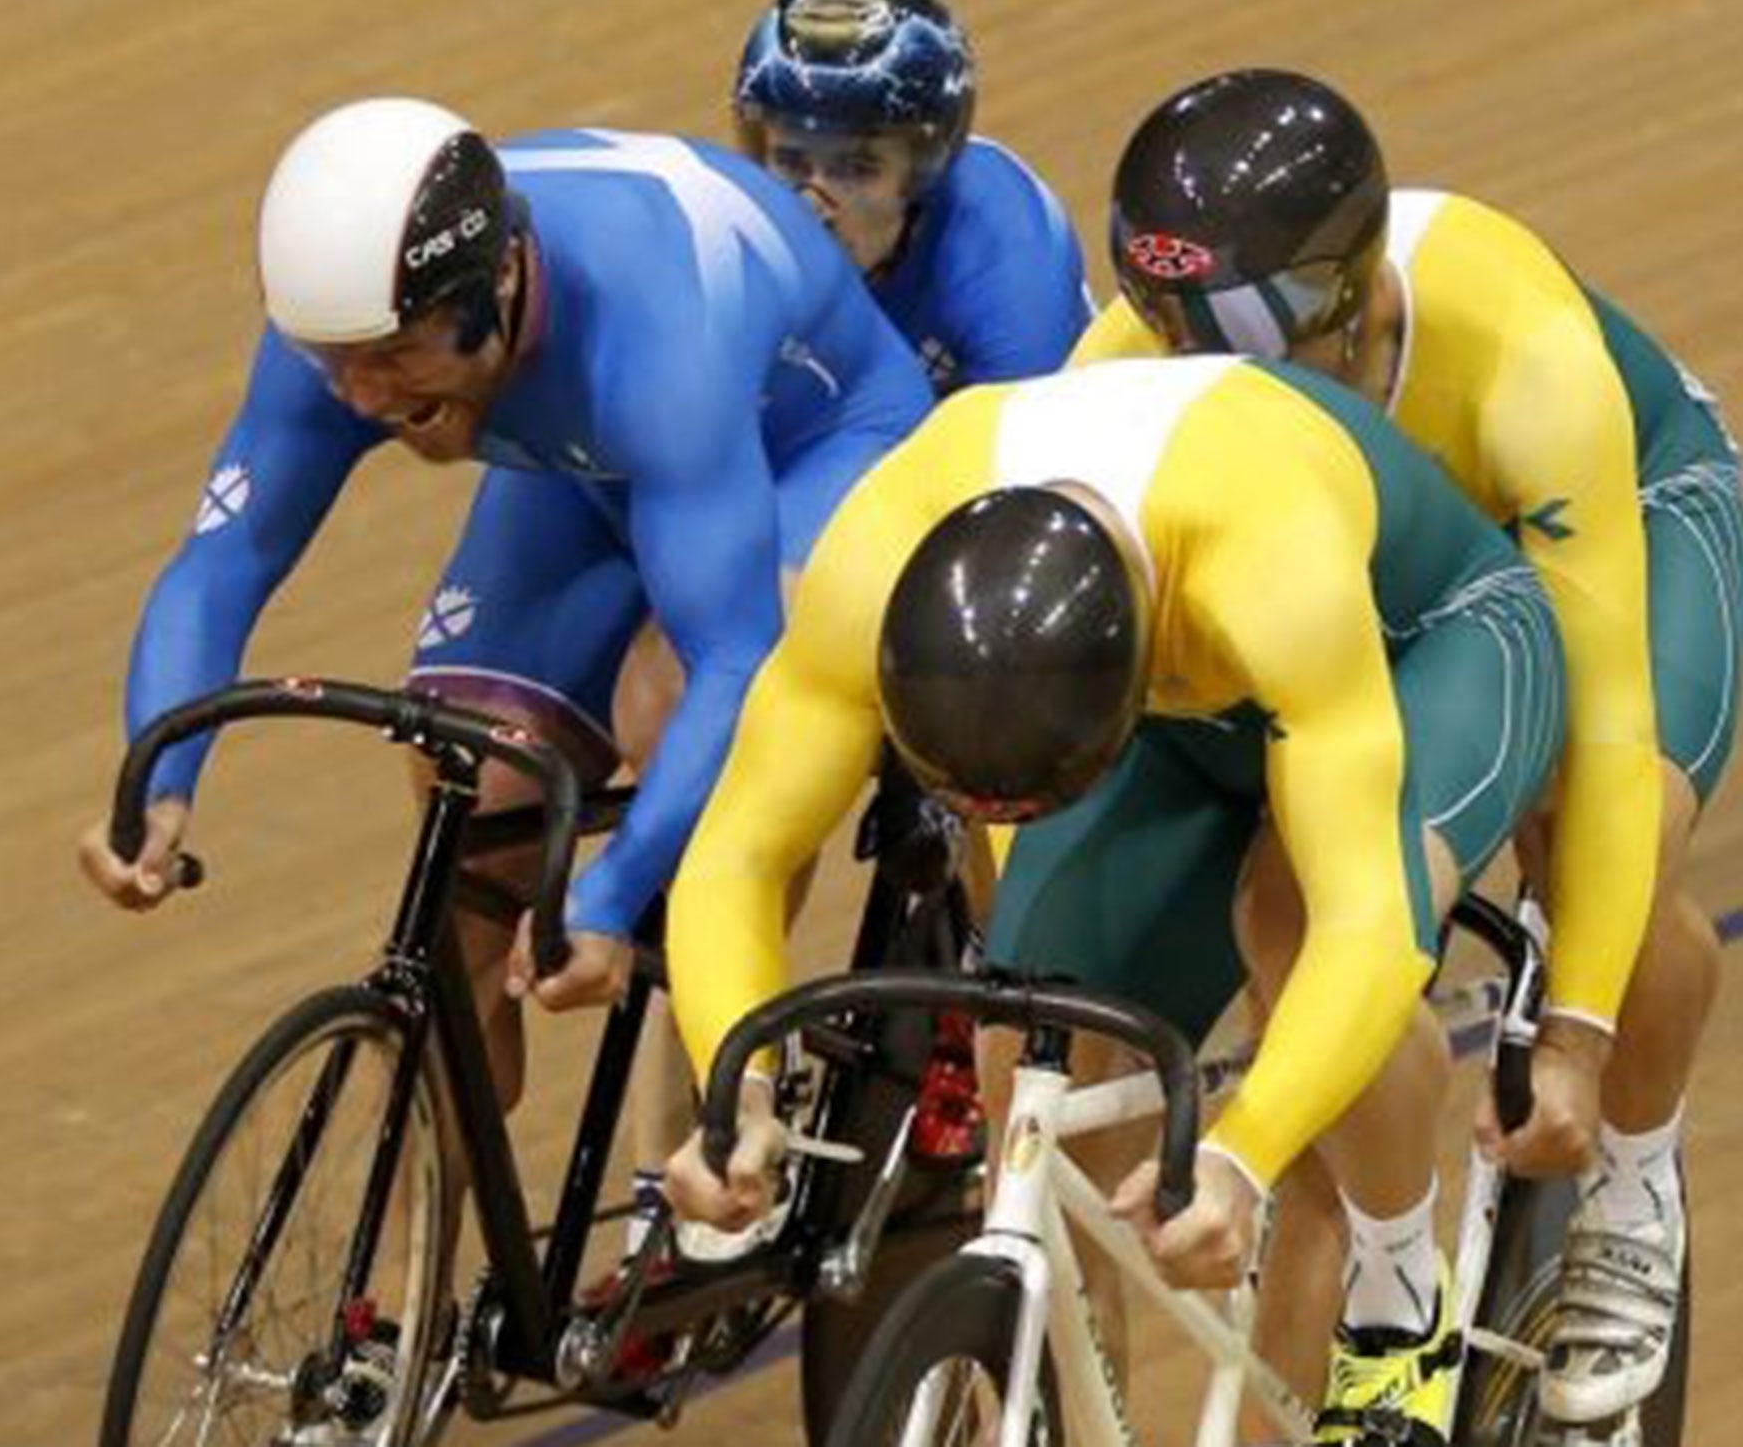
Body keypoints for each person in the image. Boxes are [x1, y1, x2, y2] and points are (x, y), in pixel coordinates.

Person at [660, 354, 1566, 1447]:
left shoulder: (1264, 561)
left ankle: (1397, 1296)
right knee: (1027, 1033)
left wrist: (1243, 1150)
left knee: (1291, 921)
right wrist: (738, 1086)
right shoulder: (880, 558)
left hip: (1424, 648)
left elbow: (1363, 931)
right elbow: (735, 860)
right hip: (1172, 707)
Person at [75, 98, 936, 1224]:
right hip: (579, 456)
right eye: (335, 365)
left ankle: (728, 1103)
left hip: (809, 447)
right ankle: (422, 1295)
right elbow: (219, 562)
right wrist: (159, 784)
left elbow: (734, 658)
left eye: (391, 361)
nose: (363, 400)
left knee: (668, 705)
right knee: (466, 783)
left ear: (496, 289)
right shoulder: (348, 329)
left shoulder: (653, 339)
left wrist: (611, 894)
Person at [1087, 68, 1743, 1427]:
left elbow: (1615, 718)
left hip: (1618, 512)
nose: (1195, 365)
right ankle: (1382, 1303)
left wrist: (1573, 1035)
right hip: (1400, 574)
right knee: (1299, 909)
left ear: (1348, 304)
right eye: (1176, 335)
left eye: (1234, 337)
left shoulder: (1522, 355)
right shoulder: (1134, 364)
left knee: (1595, 847)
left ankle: (1634, 1178)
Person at [733, 0, 1091, 394]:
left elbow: (1037, 452)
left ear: (924, 171)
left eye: (856, 168)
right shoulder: (732, 232)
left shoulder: (1007, 272)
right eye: (790, 161)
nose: (814, 206)